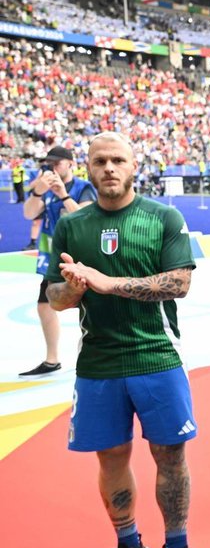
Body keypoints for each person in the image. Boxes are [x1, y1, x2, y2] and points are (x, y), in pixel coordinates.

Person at [43, 132, 210, 548]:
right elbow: (54, 298)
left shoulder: (162, 216)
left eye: (118, 159)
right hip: (98, 364)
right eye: (99, 160)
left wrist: (107, 283)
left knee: (170, 456)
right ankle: (129, 545)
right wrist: (75, 288)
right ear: (86, 166)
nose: (109, 168)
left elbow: (180, 283)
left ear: (134, 164)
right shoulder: (71, 226)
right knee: (112, 457)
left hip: (156, 356)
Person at [19, 145, 97, 378]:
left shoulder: (84, 188)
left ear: (70, 164)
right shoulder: (47, 190)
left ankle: (97, 354)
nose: (52, 168)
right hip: (57, 258)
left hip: (83, 255)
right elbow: (28, 214)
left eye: (57, 163)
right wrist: (37, 193)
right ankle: (52, 359)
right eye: (49, 164)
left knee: (91, 305)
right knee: (45, 304)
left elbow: (84, 219)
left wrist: (63, 194)